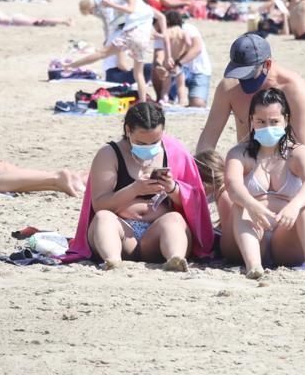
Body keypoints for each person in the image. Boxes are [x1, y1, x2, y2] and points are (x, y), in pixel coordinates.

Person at [71, 103, 214, 271]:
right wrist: (134, 190)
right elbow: (99, 204)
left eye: (154, 142)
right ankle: (112, 259)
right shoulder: (109, 154)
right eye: (140, 142)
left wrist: (172, 188)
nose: (148, 147)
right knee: (103, 218)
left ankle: (175, 258)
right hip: (122, 231)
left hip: (157, 234)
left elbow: (195, 204)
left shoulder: (175, 151)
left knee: (174, 220)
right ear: (128, 130)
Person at [223, 88, 305, 279]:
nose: (267, 127)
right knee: (240, 204)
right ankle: (253, 266)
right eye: (261, 121)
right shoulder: (239, 153)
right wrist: (252, 205)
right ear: (252, 120)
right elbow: (232, 186)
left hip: (284, 235)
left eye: (274, 121)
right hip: (248, 234)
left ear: (285, 120)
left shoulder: (298, 153)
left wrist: (294, 206)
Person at [197, 33, 305, 153]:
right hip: (246, 164)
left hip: (285, 163)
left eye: (249, 73)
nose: (243, 80)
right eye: (239, 73)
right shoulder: (229, 88)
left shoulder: (293, 89)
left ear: (267, 64)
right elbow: (208, 139)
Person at [62, 0, 169, 103]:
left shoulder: (130, 0)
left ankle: (71, 66)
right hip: (143, 40)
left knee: (102, 54)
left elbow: (127, 10)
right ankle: (143, 103)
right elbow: (161, 17)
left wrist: (111, 5)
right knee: (139, 75)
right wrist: (162, 35)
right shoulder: (147, 8)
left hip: (131, 35)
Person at [0, 3, 72, 26]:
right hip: (14, 19)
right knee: (39, 21)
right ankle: (61, 21)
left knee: (38, 22)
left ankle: (64, 21)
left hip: (14, 20)